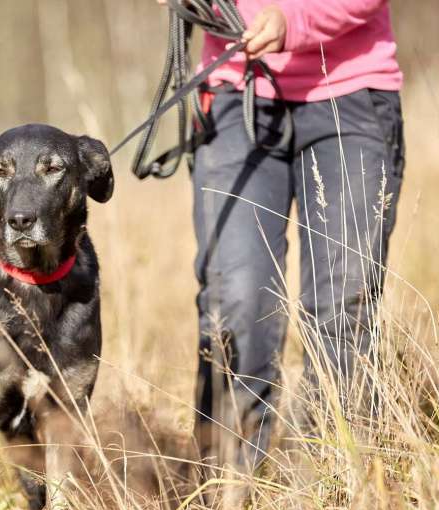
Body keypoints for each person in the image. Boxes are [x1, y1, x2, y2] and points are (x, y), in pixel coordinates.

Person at [157, 1, 405, 473]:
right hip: (233, 89)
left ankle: (338, 484)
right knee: (236, 298)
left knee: (344, 302)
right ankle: (227, 494)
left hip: (351, 90)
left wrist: (295, 22)